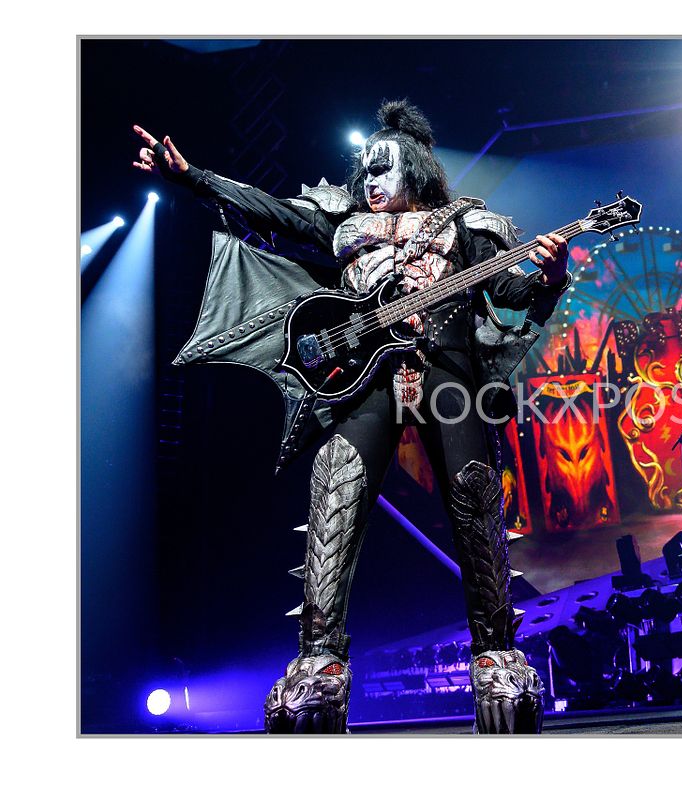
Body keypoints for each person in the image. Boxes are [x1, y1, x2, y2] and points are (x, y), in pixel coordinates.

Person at [132, 99, 572, 734]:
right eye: (365, 168)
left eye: (382, 168)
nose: (369, 179)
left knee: (476, 504)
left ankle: (498, 656)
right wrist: (192, 176)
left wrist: (550, 276)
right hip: (365, 380)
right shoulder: (344, 221)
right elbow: (272, 211)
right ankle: (320, 666)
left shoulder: (468, 225)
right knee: (333, 500)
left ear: (416, 170)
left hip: (449, 374)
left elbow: (509, 291)